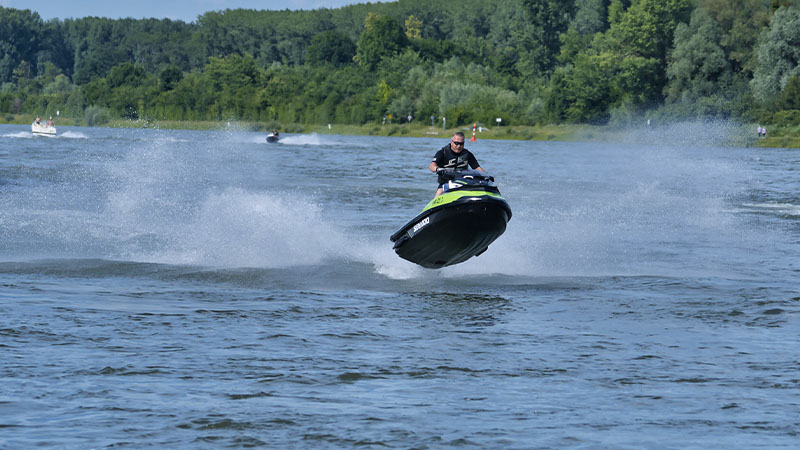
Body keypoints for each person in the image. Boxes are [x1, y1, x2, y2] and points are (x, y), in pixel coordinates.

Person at [429, 131, 485, 197]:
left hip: (463, 182)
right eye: (456, 143)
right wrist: (438, 169)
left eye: (461, 144)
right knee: (439, 192)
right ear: (451, 142)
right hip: (446, 183)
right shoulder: (442, 152)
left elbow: (477, 168)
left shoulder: (467, 154)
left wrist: (487, 175)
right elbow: (432, 166)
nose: (458, 146)